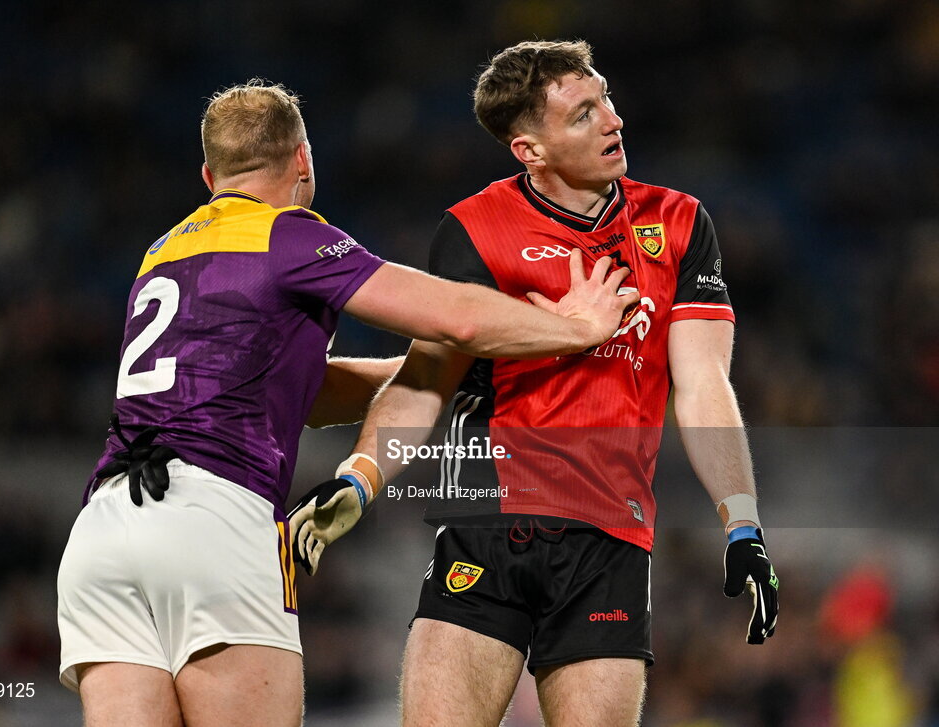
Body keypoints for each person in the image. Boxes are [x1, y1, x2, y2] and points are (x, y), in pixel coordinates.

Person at [55, 78, 637, 727]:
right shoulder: (288, 235)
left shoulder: (162, 253)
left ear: (207, 173)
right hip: (213, 517)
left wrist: (438, 375)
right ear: (302, 160)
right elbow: (456, 318)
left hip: (103, 532)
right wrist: (579, 327)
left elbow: (300, 389)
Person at [290, 40, 779, 726]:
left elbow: (702, 385)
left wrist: (743, 523)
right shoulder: (474, 229)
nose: (612, 119)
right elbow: (427, 375)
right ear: (531, 150)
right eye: (583, 115)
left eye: (605, 98)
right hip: (485, 524)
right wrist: (360, 476)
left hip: (610, 540)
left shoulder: (678, 222)